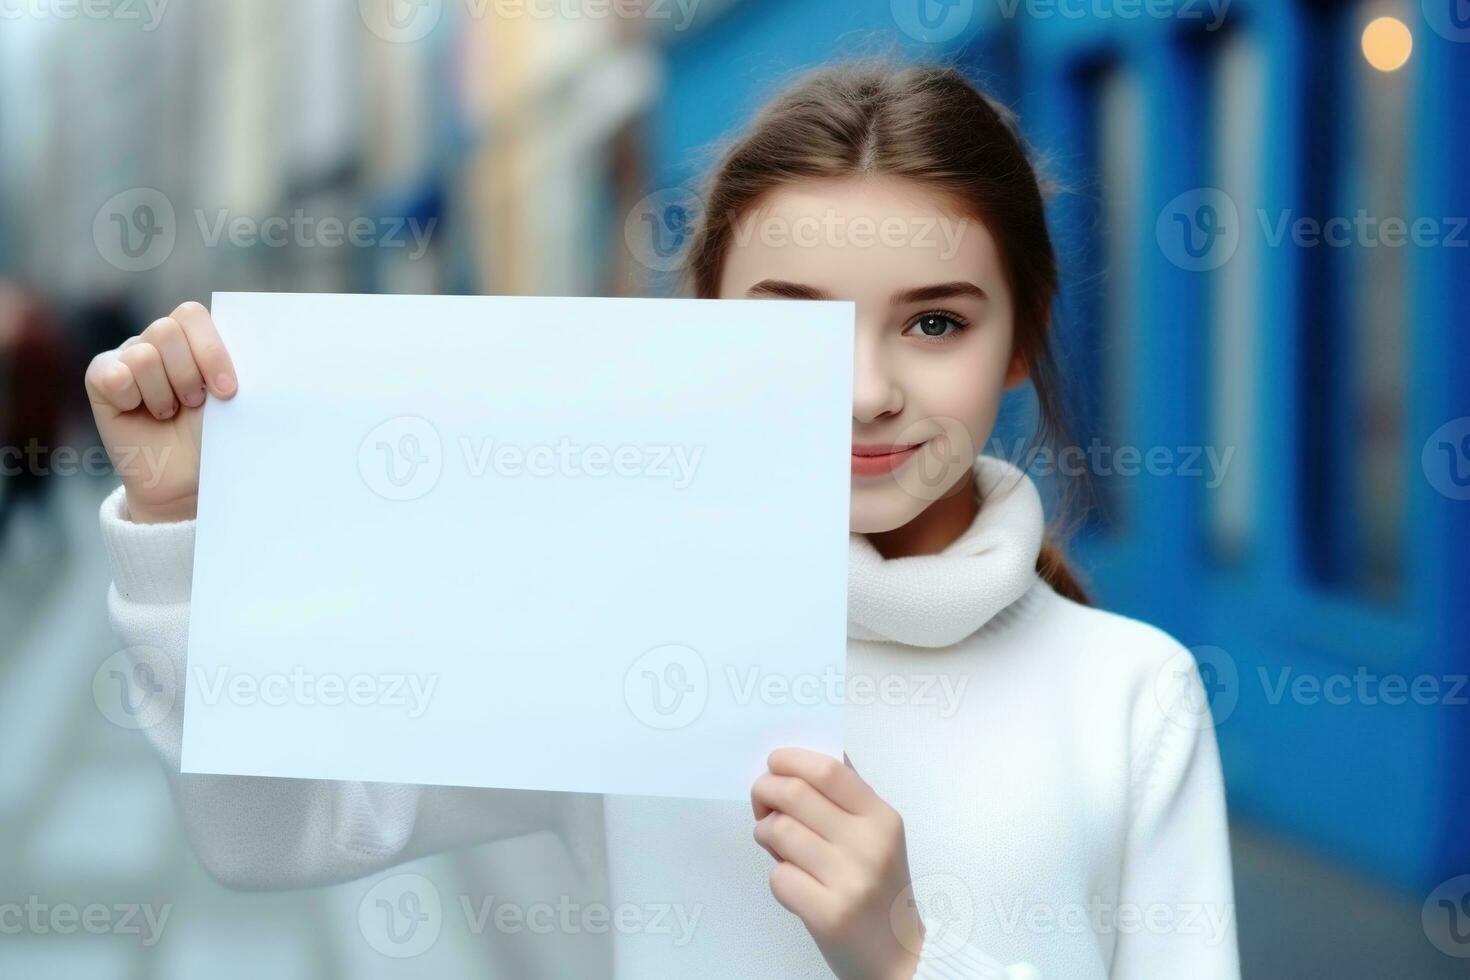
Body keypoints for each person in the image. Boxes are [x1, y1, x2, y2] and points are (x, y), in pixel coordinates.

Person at [86, 61, 1239, 978]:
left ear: (1022, 341)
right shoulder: (620, 641)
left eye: (935, 324)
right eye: (798, 323)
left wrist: (906, 957)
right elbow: (270, 830)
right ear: (707, 332)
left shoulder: (1132, 693)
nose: (866, 389)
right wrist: (181, 517)